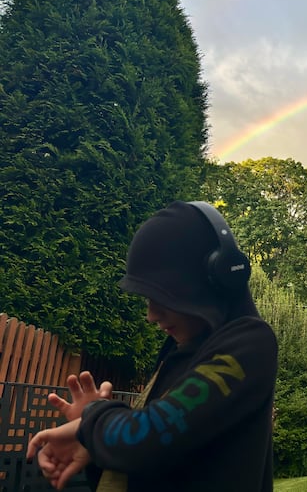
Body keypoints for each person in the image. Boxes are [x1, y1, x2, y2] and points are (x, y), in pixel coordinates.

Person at [26, 201, 278, 492]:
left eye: (161, 297)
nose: (150, 315)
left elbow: (144, 438)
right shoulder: (178, 352)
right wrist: (97, 448)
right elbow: (152, 461)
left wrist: (92, 417)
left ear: (217, 274)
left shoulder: (249, 343)